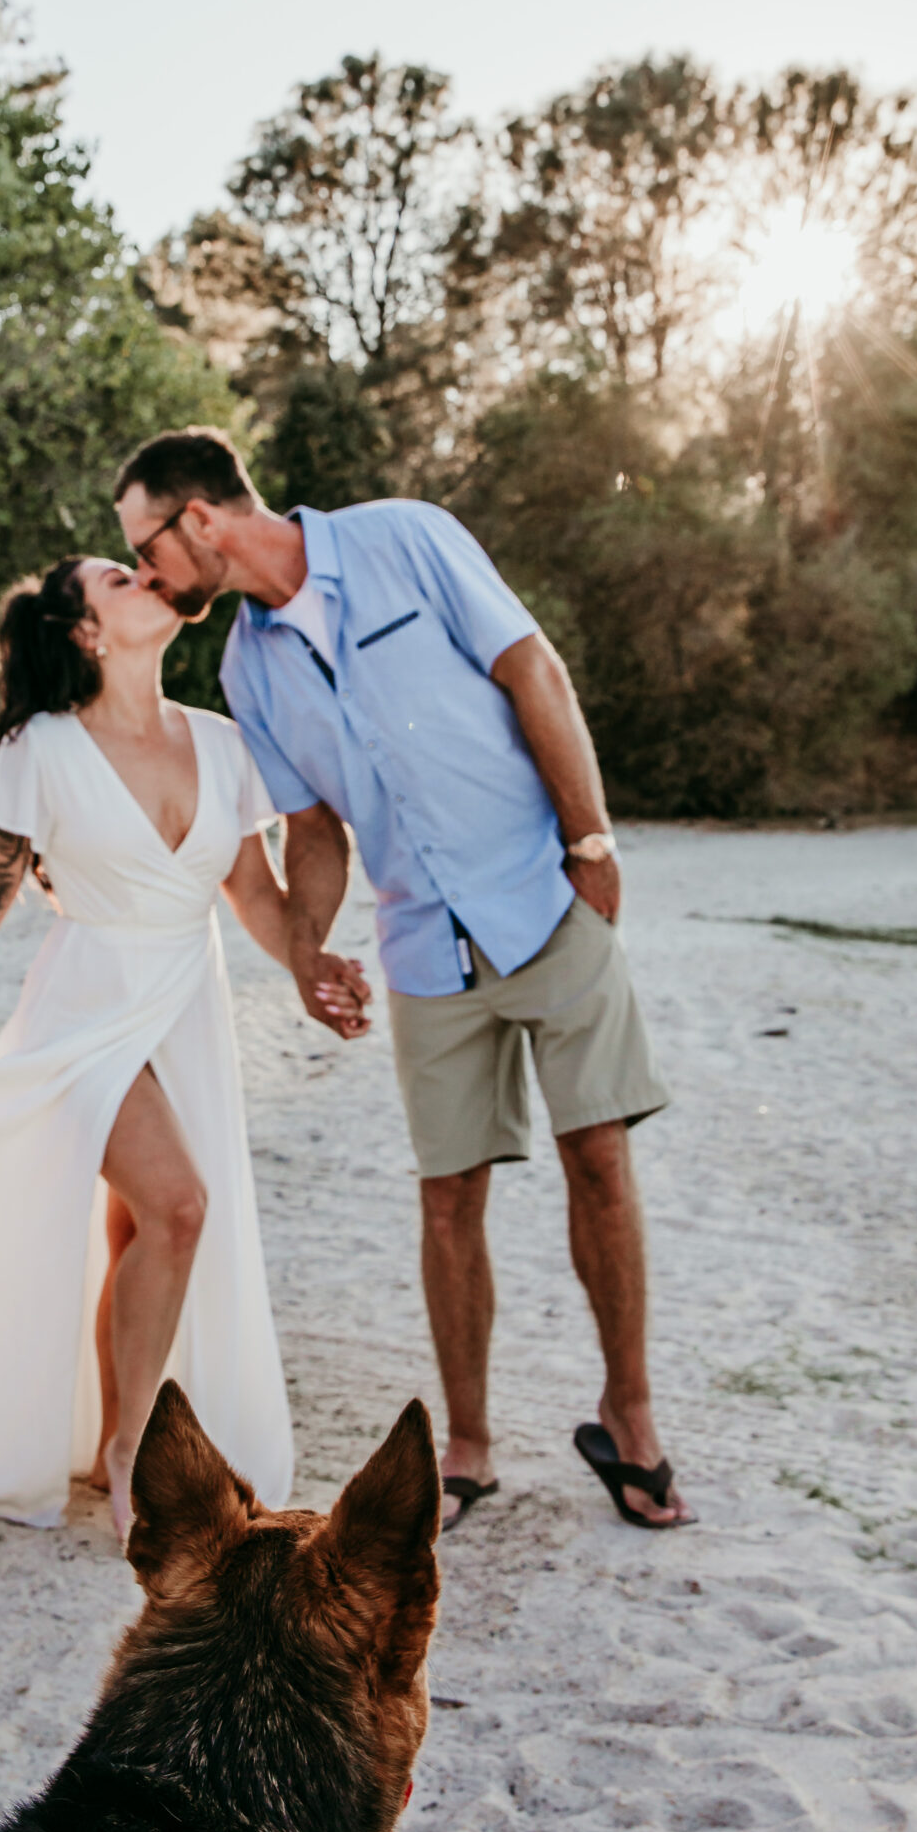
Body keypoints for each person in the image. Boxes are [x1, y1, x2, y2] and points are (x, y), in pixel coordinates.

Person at [114, 429, 691, 1532]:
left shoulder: (408, 538)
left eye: (144, 548)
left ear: (198, 520)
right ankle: (467, 1449)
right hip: (424, 946)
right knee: (447, 1200)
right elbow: (315, 828)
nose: (147, 576)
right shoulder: (245, 666)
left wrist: (592, 842)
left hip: (543, 896)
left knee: (602, 1160)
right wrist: (307, 949)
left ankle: (630, 1416)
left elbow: (534, 669)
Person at [0, 554, 341, 1541]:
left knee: (140, 1226)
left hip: (186, 1004)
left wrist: (316, 971)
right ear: (86, 633)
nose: (145, 576)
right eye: (118, 578)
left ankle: (116, 1431)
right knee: (179, 1206)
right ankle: (131, 1452)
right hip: (86, 1008)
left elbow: (255, 897)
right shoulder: (44, 747)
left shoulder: (223, 742)